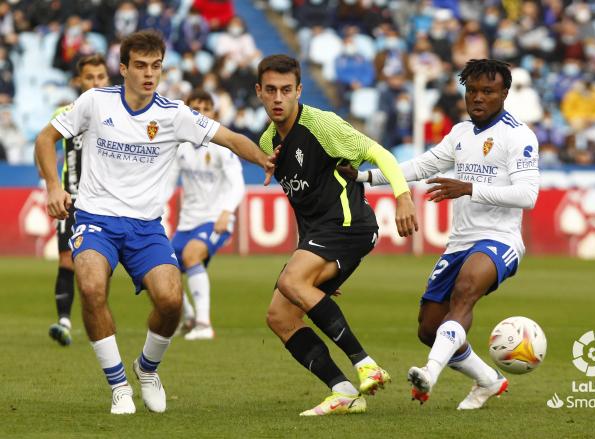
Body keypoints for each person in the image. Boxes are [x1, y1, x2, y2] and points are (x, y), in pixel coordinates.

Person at [34, 30, 275, 415]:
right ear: (124, 68)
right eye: (141, 66)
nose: (149, 74)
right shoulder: (95, 102)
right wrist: (51, 186)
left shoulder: (174, 114)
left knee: (171, 301)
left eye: (157, 66)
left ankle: (146, 369)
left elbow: (229, 138)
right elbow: (45, 139)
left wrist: (263, 159)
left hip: (146, 227)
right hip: (96, 218)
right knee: (92, 287)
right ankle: (118, 386)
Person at [343, 59, 540, 410]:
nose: (478, 98)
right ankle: (488, 380)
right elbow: (422, 166)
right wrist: (365, 178)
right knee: (429, 328)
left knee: (465, 292)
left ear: (504, 94)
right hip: (460, 241)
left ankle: (429, 374)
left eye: (488, 91)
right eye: (472, 91)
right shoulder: (461, 133)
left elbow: (527, 195)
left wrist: (468, 188)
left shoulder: (519, 136)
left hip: (500, 239)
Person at [255, 54, 417, 417]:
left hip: (350, 225)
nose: (278, 98)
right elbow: (300, 202)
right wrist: (311, 262)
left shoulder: (322, 125)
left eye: (286, 90)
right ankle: (343, 391)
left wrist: (403, 196)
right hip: (321, 234)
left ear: (299, 90)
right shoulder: (268, 143)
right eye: (270, 90)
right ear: (259, 93)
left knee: (292, 280)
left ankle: (365, 364)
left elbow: (379, 153)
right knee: (279, 316)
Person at [166, 89, 246, 341]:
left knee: (191, 255)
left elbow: (237, 184)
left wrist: (226, 212)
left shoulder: (222, 146)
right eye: (195, 110)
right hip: (187, 222)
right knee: (159, 270)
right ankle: (188, 316)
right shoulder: (181, 147)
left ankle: (203, 324)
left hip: (215, 219)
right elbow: (167, 184)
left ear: (214, 113)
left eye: (205, 109)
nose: (200, 114)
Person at [45, 54, 110, 347]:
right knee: (66, 259)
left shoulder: (116, 112)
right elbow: (45, 144)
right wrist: (52, 185)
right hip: (72, 197)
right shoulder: (66, 111)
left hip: (106, 201)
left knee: (97, 265)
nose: (95, 82)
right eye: (89, 78)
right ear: (78, 81)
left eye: (100, 77)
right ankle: (64, 321)